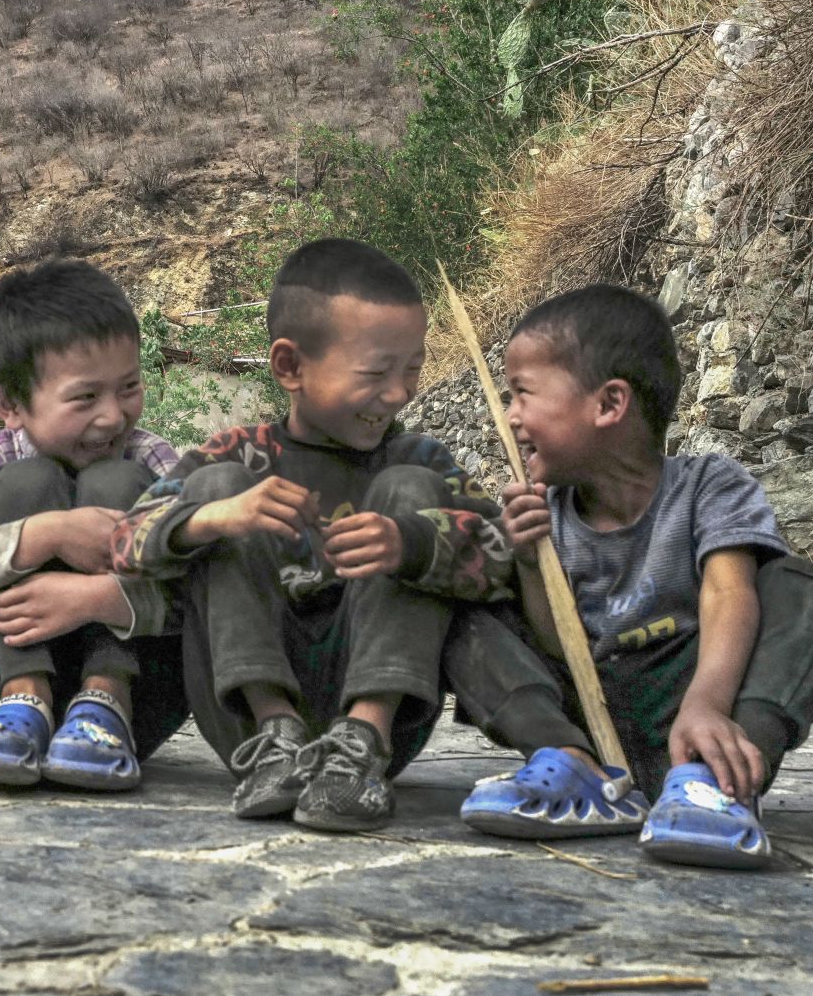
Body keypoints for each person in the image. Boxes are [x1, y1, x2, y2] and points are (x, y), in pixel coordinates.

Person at [113, 239, 517, 833]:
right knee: (219, 488)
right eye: (376, 372)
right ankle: (275, 733)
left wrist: (412, 542)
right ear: (290, 367)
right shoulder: (237, 453)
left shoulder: (421, 459)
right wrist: (217, 518)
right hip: (244, 722)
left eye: (412, 368)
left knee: (410, 492)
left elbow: (508, 557)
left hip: (385, 715)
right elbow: (123, 542)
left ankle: (362, 737)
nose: (400, 393)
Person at [449, 283, 813, 870]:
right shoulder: (546, 513)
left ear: (609, 404)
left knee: (801, 588)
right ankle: (574, 767)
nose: (509, 417)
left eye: (523, 393)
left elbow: (728, 592)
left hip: (694, 711)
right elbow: (559, 648)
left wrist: (707, 705)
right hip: (587, 717)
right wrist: (530, 563)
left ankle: (716, 785)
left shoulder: (709, 485)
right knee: (466, 606)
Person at [0, 257, 187, 792]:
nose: (113, 416)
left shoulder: (152, 458)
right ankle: (25, 698)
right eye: (85, 397)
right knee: (27, 481)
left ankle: (106, 697)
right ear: (11, 404)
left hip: (139, 696)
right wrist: (47, 534)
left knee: (116, 479)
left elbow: (203, 583)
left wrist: (99, 598)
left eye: (128, 387)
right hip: (10, 684)